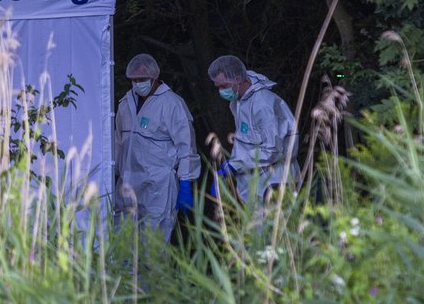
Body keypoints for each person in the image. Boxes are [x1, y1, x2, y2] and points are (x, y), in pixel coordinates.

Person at [113, 53, 200, 240]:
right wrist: (113, 173)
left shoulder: (171, 104)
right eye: (134, 80)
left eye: (142, 79)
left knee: (154, 245)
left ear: (154, 78)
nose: (137, 83)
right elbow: (118, 143)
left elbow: (187, 146)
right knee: (124, 243)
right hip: (127, 184)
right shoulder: (125, 104)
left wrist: (186, 181)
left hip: (158, 186)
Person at [208, 55, 298, 207]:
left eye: (223, 86)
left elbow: (272, 150)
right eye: (218, 87)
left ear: (237, 78)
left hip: (274, 181)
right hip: (256, 184)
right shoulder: (239, 102)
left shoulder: (263, 104)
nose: (221, 91)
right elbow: (247, 141)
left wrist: (234, 165)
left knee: (278, 229)